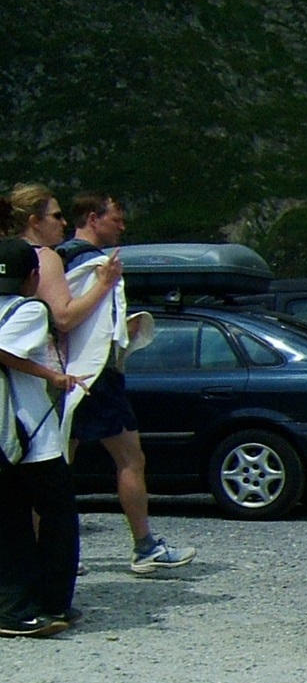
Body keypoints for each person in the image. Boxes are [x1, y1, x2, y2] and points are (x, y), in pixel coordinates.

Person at [56, 192, 196, 573]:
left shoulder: (57, 260)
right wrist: (110, 302)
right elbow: (76, 319)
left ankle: (50, 547)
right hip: (97, 374)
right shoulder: (97, 266)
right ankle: (144, 546)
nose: (122, 225)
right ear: (92, 218)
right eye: (115, 218)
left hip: (65, 373)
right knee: (130, 459)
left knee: (58, 462)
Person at [0, 236, 85, 635]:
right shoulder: (30, 309)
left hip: (4, 442)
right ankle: (50, 602)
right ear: (33, 277)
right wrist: (52, 375)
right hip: (31, 435)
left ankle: (17, 605)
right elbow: (4, 350)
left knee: (11, 522)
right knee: (58, 518)